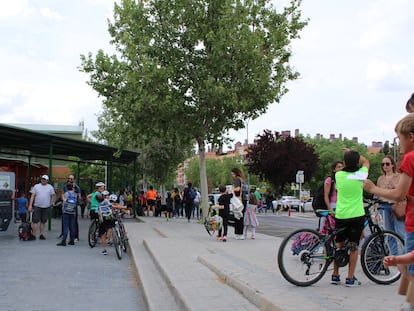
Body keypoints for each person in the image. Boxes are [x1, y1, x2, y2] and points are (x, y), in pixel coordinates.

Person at [364, 113, 414, 310]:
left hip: (411, 220)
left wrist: (372, 189)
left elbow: (398, 194)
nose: (399, 144)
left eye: (400, 138)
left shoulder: (410, 158)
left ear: (410, 136)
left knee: (408, 268)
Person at [330, 149, 369, 287]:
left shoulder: (339, 175)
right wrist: (355, 155)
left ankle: (335, 274)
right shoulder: (360, 175)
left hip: (341, 214)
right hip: (356, 215)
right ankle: (350, 278)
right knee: (354, 246)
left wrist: (348, 154)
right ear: (357, 162)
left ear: (344, 162)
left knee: (338, 245)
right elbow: (366, 162)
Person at [376, 156, 406, 242]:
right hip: (384, 206)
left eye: (387, 164)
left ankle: (406, 253)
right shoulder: (380, 179)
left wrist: (393, 186)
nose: (385, 166)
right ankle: (394, 254)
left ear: (392, 165)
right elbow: (377, 194)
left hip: (396, 205)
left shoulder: (399, 177)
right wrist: (376, 210)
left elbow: (403, 191)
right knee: (389, 233)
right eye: (383, 164)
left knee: (401, 232)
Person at [28, 175, 56, 240]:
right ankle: (33, 234)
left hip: (46, 206)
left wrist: (51, 203)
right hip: (37, 206)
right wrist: (30, 205)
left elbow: (53, 195)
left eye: (44, 179)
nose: (43, 180)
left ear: (47, 180)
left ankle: (41, 234)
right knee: (35, 221)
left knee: (43, 221)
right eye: (42, 179)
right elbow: (32, 196)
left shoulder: (50, 187)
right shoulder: (36, 186)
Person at [231, 167, 246, 240]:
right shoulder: (242, 180)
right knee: (241, 217)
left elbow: (238, 189)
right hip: (243, 200)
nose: (232, 175)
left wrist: (231, 190)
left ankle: (238, 233)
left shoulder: (237, 179)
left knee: (237, 217)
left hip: (238, 200)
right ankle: (240, 234)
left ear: (235, 173)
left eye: (233, 174)